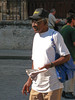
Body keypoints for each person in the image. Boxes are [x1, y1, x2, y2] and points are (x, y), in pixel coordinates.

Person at [22, 8, 70, 100]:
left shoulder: (55, 36)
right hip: (36, 86)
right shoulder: (36, 37)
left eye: (37, 22)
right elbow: (34, 60)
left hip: (52, 86)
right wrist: (29, 80)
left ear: (45, 22)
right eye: (32, 22)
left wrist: (51, 64)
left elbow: (66, 57)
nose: (33, 25)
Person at [60, 15, 75, 99]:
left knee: (66, 73)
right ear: (72, 20)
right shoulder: (72, 29)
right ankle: (69, 91)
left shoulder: (63, 28)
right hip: (71, 55)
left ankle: (64, 91)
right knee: (71, 74)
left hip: (64, 54)